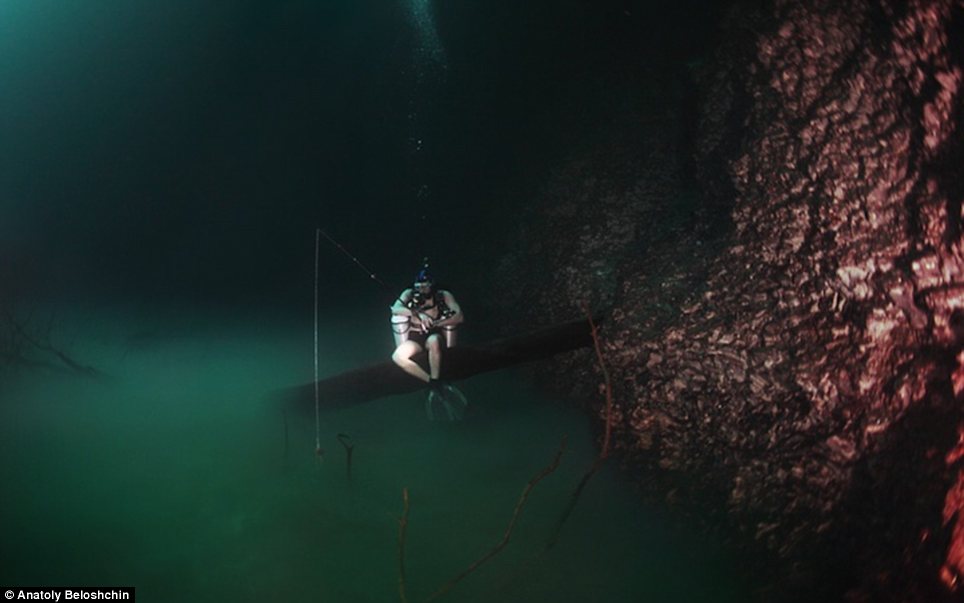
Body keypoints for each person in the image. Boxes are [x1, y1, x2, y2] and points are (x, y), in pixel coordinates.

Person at [390, 262, 467, 419]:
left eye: (425, 284)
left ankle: (436, 380)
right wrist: (417, 315)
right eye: (418, 284)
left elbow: (459, 316)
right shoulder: (408, 294)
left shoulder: (443, 295)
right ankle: (433, 383)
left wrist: (436, 323)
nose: (421, 287)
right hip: (414, 337)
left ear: (432, 284)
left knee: (433, 341)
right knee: (397, 357)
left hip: (433, 335)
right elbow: (395, 309)